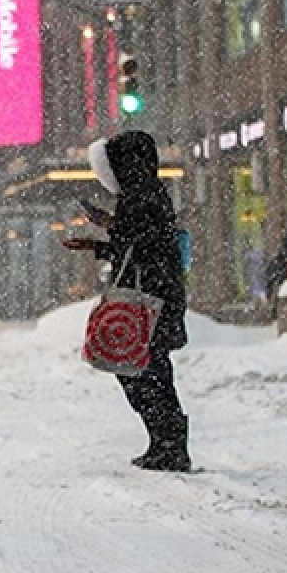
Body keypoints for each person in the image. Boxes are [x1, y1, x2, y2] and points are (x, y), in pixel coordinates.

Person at [61, 131, 192, 472]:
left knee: (143, 371)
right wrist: (107, 230)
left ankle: (169, 443)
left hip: (149, 300)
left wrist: (101, 242)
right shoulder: (146, 193)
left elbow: (141, 247)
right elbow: (141, 241)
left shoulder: (141, 196)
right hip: (155, 296)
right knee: (147, 370)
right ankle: (165, 441)